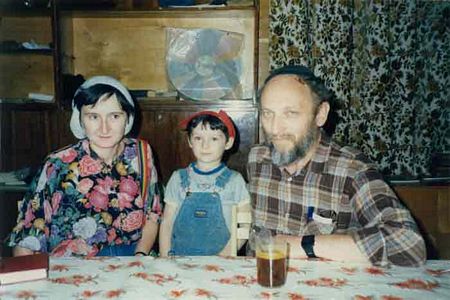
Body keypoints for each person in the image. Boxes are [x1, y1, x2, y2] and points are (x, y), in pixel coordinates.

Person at [247, 65, 426, 266]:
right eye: (267, 113)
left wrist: (303, 246)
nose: (275, 129)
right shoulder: (257, 158)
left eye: (290, 113)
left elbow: (409, 244)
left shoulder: (353, 169)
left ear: (320, 114)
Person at [7, 76, 162, 257]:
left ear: (128, 119)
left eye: (114, 116)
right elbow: (27, 236)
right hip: (74, 265)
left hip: (131, 257)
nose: (104, 128)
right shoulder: (58, 163)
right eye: (93, 116)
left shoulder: (141, 153)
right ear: (80, 120)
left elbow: (153, 213)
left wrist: (140, 256)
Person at [159, 110, 250, 256]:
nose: (205, 146)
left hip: (222, 261)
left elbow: (245, 226)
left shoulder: (235, 181)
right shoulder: (178, 179)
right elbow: (166, 223)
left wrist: (226, 255)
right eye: (198, 138)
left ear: (228, 142)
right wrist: (165, 257)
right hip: (179, 260)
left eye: (214, 139)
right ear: (189, 141)